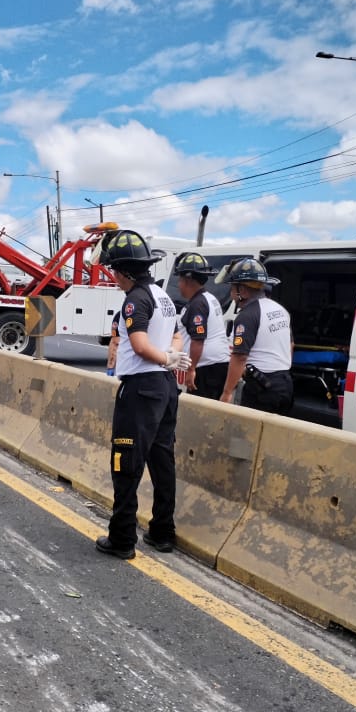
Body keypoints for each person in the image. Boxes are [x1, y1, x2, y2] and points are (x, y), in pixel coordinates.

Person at [96, 230, 190, 560]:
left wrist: (165, 357)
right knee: (162, 459)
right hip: (165, 387)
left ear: (123, 270)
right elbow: (177, 336)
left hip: (141, 389)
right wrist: (172, 357)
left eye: (113, 271)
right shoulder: (162, 296)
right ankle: (162, 532)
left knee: (126, 462)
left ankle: (122, 538)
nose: (113, 277)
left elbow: (137, 345)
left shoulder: (136, 299)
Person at [219, 258, 294, 416]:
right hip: (285, 383)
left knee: (249, 437)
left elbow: (239, 358)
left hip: (262, 389)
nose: (232, 295)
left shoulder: (247, 315)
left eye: (233, 289)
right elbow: (291, 345)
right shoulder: (280, 309)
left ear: (243, 291)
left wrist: (227, 393)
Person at [174, 252, 230, 401]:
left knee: (201, 412)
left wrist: (191, 369)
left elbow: (198, 339)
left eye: (179, 280)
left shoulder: (198, 304)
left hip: (207, 370)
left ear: (188, 279)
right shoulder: (209, 298)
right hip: (217, 365)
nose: (178, 285)